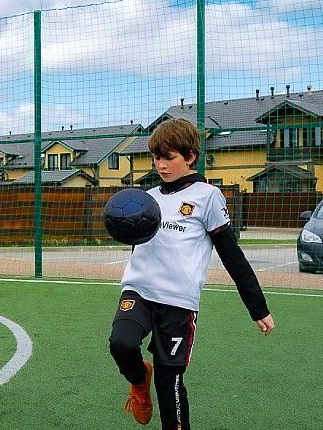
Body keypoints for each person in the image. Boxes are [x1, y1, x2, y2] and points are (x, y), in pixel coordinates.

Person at [109, 118, 275, 429]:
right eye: (157, 157)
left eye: (169, 157)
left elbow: (232, 256)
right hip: (139, 290)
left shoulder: (208, 196)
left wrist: (258, 307)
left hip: (178, 302)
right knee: (121, 344)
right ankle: (138, 380)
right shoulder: (149, 198)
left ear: (190, 157)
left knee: (169, 382)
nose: (161, 165)